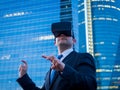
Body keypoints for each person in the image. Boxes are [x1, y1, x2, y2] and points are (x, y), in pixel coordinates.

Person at [16, 22, 97, 90]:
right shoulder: (50, 71)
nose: (62, 34)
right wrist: (24, 77)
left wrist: (64, 68)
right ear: (55, 42)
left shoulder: (83, 57)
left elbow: (90, 85)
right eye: (58, 35)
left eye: (67, 33)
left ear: (74, 41)